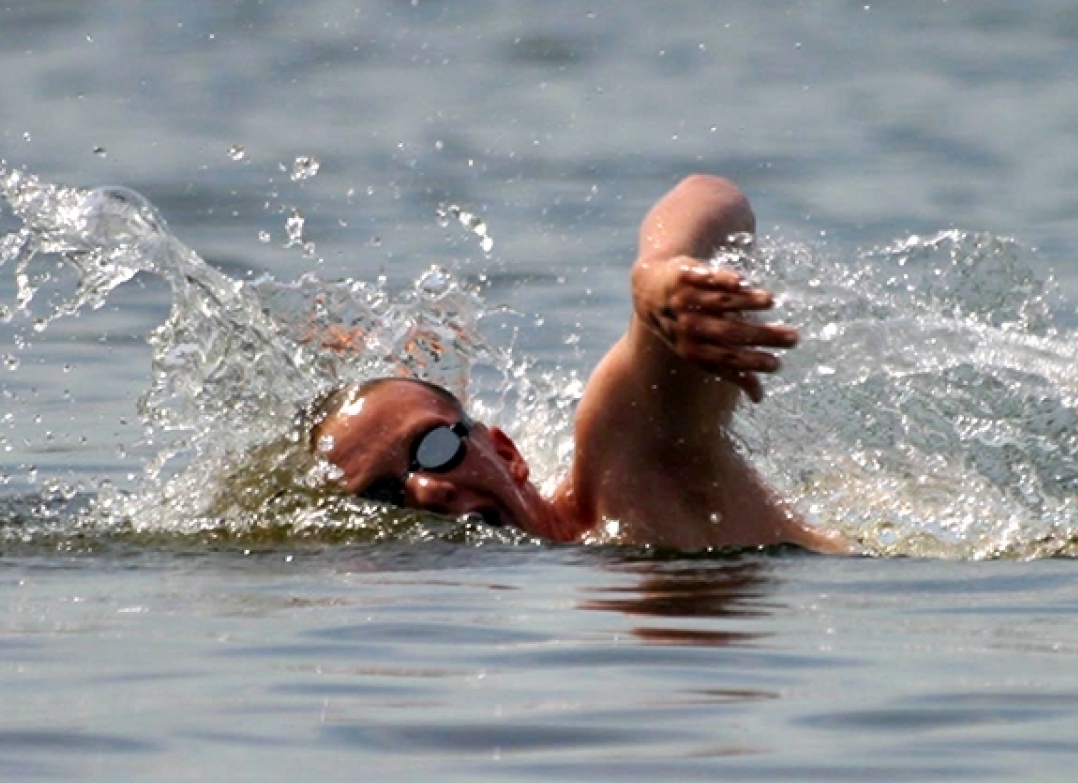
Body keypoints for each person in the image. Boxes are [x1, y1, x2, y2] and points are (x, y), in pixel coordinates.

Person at [309, 175, 844, 553]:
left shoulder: (626, 477)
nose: (424, 490)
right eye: (384, 494)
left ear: (507, 452)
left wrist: (658, 271)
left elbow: (713, 196)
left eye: (435, 447)